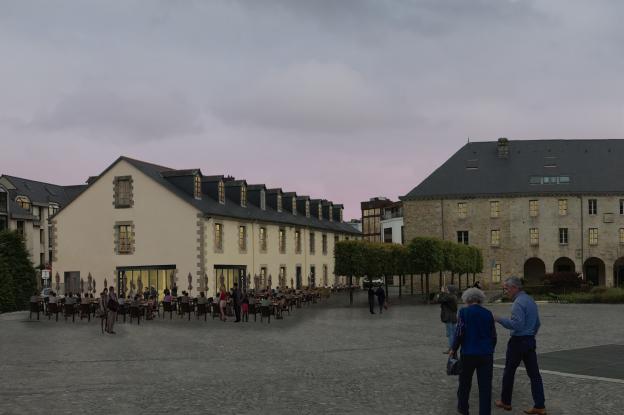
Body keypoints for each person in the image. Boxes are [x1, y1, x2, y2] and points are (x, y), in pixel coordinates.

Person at [494, 276, 546, 415]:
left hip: (518, 342)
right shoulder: (530, 300)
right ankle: (540, 405)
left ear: (514, 288)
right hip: (529, 341)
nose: (505, 291)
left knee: (509, 372)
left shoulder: (518, 303)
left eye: (506, 288)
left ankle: (506, 402)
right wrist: (530, 335)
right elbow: (537, 323)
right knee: (534, 375)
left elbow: (517, 324)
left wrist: (499, 319)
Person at [450, 288, 497, 415]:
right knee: (485, 387)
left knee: (464, 384)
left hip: (468, 353)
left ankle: (463, 408)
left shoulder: (464, 312)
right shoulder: (488, 313)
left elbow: (459, 332)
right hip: (486, 354)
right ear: (480, 299)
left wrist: (453, 348)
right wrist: (490, 349)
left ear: (467, 299)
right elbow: (493, 336)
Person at [439, 285, 459, 353]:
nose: (446, 290)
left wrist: (442, 292)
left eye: (447, 289)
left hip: (449, 317)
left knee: (450, 334)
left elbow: (440, 300)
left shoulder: (449, 297)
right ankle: (453, 348)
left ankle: (451, 349)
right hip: (453, 317)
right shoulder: (453, 296)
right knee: (452, 333)